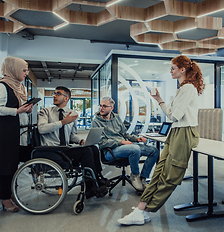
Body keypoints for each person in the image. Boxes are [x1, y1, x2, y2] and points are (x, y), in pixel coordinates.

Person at [117, 55, 205, 225]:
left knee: (170, 176)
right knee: (158, 173)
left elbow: (173, 115)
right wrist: (159, 100)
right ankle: (142, 209)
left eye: (173, 68)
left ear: (182, 69)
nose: (170, 71)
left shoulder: (188, 89)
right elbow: (173, 115)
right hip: (176, 132)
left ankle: (146, 210)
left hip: (184, 133)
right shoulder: (183, 89)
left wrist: (162, 102)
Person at [38, 86, 108, 199]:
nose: (54, 96)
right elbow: (41, 129)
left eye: (58, 94)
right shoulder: (45, 112)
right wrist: (62, 122)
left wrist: (80, 140)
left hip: (65, 149)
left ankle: (98, 177)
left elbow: (71, 135)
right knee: (87, 152)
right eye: (54, 94)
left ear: (66, 98)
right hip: (51, 150)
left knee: (93, 148)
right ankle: (90, 186)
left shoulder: (72, 113)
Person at [0, 57, 34, 212]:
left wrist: (27, 109)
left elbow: (18, 108)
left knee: (12, 165)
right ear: (13, 69)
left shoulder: (18, 87)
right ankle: (4, 198)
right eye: (24, 70)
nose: (26, 73)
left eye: (27, 70)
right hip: (4, 134)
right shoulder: (1, 86)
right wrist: (17, 110)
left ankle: (10, 193)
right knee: (5, 167)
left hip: (15, 132)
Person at [91, 97, 159, 191]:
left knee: (154, 151)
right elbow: (101, 142)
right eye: (100, 105)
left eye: (104, 106)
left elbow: (125, 133)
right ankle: (135, 175)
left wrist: (137, 139)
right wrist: (121, 142)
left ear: (111, 108)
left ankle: (143, 178)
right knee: (134, 149)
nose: (101, 108)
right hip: (110, 151)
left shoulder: (116, 118)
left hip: (125, 147)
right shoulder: (96, 122)